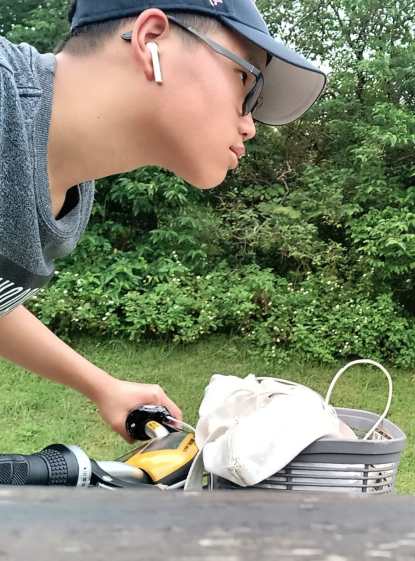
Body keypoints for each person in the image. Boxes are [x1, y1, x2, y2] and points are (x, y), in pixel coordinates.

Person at [0, 0, 326, 442]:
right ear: (152, 39)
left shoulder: (73, 188)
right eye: (247, 82)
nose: (250, 125)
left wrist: (103, 387)